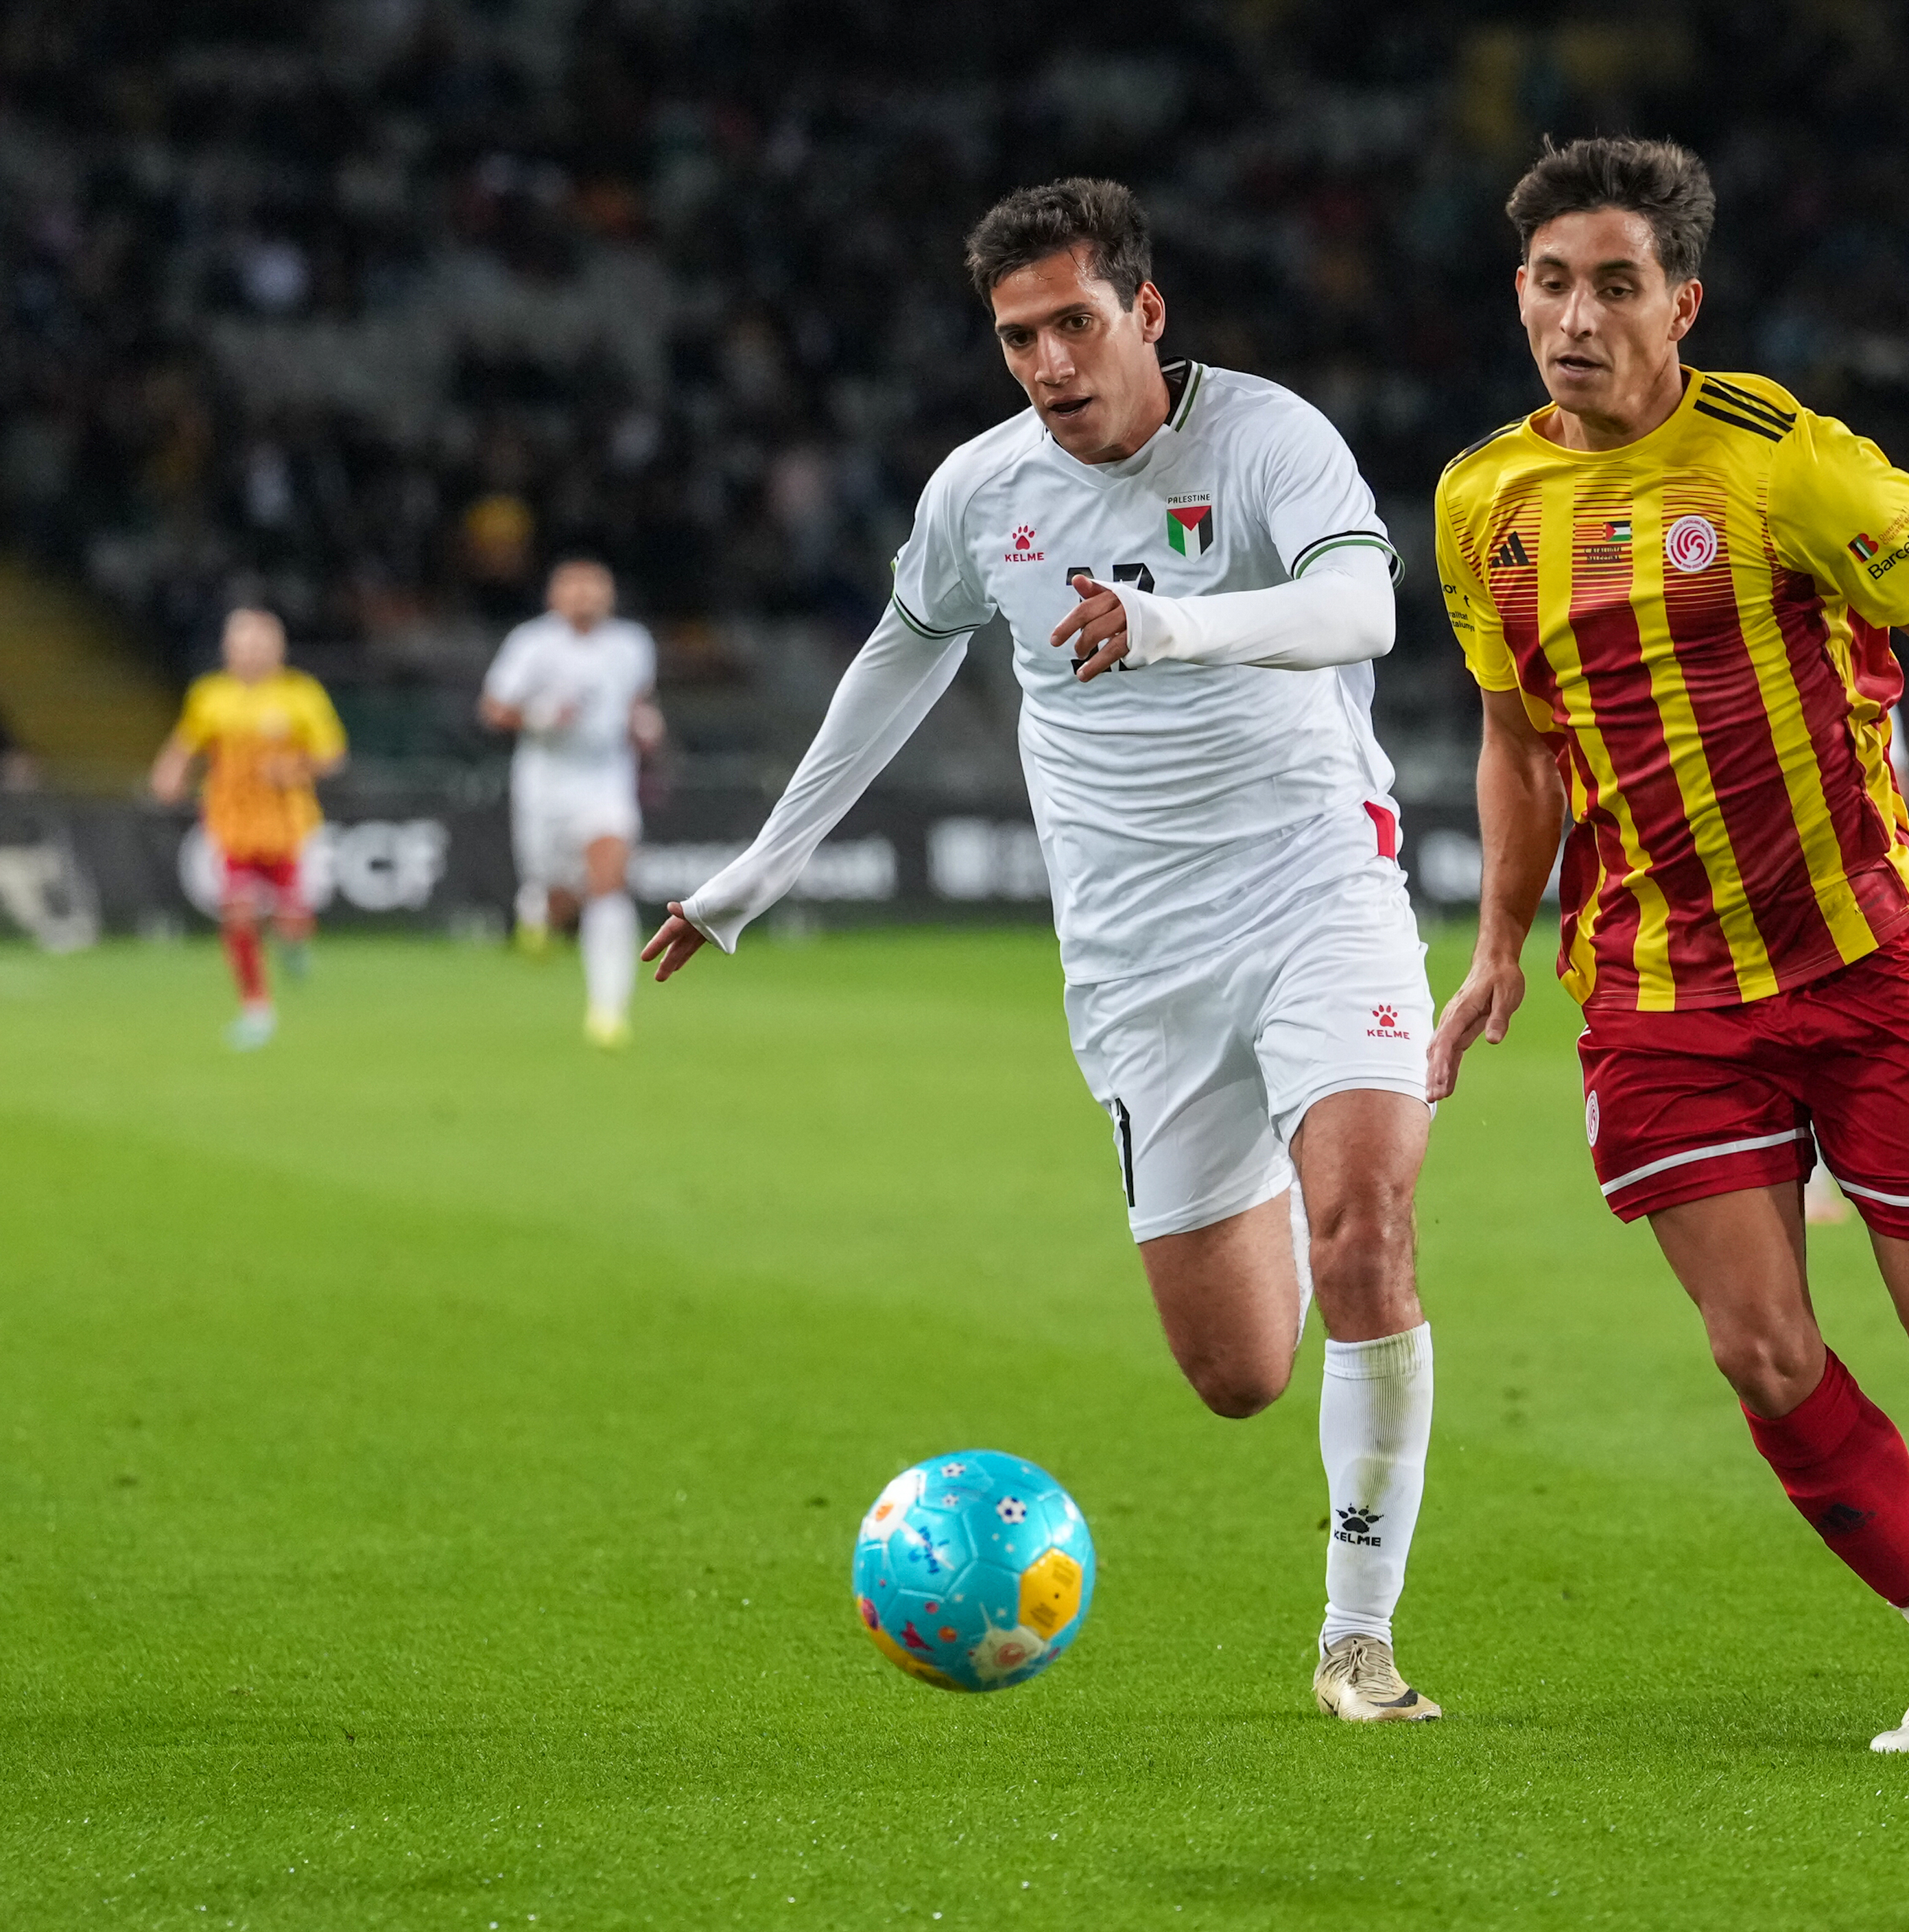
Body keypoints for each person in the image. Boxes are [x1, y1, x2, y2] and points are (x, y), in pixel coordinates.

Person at [640, 178, 1444, 1723]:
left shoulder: (1267, 438)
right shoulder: (980, 491)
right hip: (1139, 960)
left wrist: (1171, 624)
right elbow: (901, 656)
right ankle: (1297, 1158)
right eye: (1019, 338)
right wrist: (758, 870)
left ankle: (1358, 1638)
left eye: (1075, 323)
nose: (1050, 363)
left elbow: (1362, 608)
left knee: (1369, 1235)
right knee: (1238, 1373)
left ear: (1145, 311)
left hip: (1315, 890)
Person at [1427, 137, 1909, 1754]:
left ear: (1682, 305)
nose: (1576, 318)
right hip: (1658, 989)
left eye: (1615, 287)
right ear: (1518, 292)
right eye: (1551, 284)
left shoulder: (1788, 465)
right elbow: (1517, 740)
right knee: (1759, 1344)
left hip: (1862, 957)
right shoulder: (1482, 503)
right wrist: (1501, 936)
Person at [479, 558, 661, 1048]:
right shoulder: (531, 643)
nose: (585, 597)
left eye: (594, 588)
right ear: (554, 596)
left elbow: (637, 701)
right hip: (545, 784)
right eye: (574, 588)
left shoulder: (632, 644)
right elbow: (494, 708)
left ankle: (608, 1011)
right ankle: (538, 912)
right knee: (556, 894)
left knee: (608, 884)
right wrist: (538, 716)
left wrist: (646, 725)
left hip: (606, 780)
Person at [148, 607, 346, 1050]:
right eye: (243, 644)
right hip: (232, 825)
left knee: (291, 922)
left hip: (289, 827)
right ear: (228, 648)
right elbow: (187, 743)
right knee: (237, 912)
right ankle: (256, 1008)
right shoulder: (210, 695)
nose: (252, 653)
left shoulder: (301, 694)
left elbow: (332, 757)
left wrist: (294, 767)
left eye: (260, 644)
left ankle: (293, 945)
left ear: (278, 649)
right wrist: (169, 773)